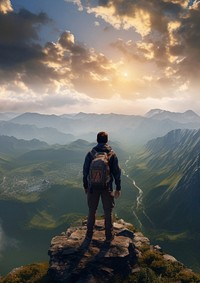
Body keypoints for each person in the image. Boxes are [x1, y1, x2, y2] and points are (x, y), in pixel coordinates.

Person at [83, 131, 121, 242]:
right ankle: (109, 236)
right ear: (107, 140)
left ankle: (89, 234)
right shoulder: (112, 154)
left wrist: (86, 186)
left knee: (92, 210)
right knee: (108, 211)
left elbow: (85, 172)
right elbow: (116, 172)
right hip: (107, 187)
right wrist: (118, 187)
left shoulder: (90, 154)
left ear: (97, 140)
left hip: (92, 187)